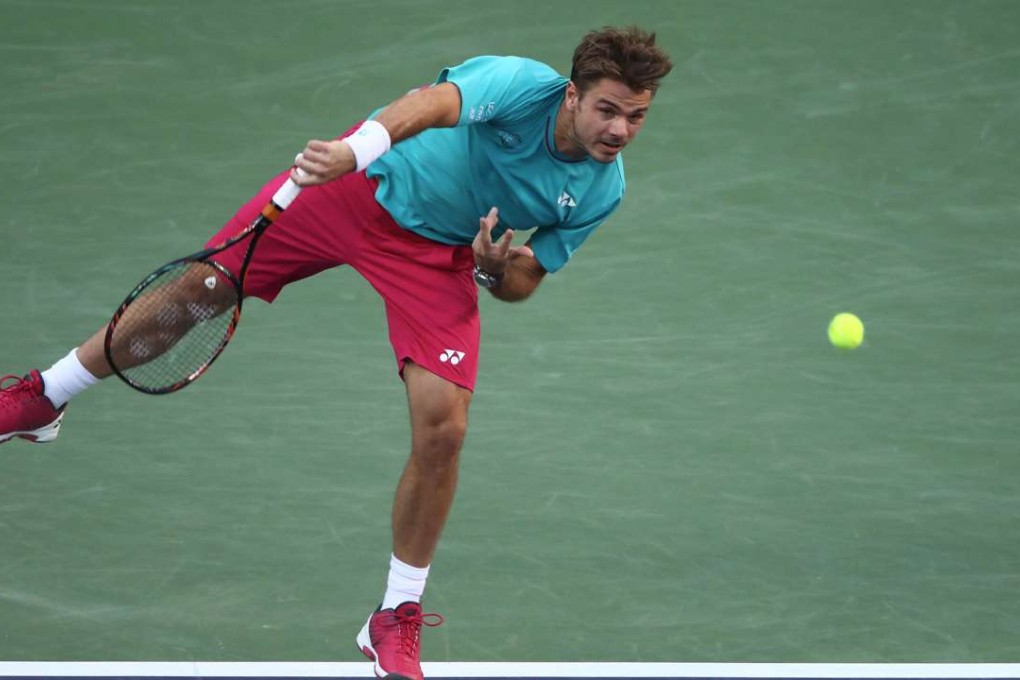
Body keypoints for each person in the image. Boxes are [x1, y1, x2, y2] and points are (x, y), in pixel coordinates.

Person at [0, 26, 672, 680]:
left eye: (636, 116)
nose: (619, 130)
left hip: (434, 257)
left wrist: (493, 270)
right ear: (572, 96)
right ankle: (46, 396)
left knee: (444, 428)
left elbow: (526, 279)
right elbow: (431, 106)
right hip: (353, 188)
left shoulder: (601, 189)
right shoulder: (520, 84)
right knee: (199, 293)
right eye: (608, 110)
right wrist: (357, 150)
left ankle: (396, 613)